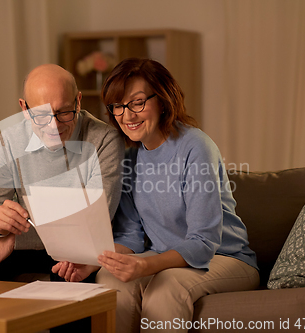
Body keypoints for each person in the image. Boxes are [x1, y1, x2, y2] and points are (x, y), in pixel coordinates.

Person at [54, 58, 259, 333]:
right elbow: (130, 237)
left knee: (165, 289)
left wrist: (146, 265)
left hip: (224, 257)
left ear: (162, 100)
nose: (127, 115)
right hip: (162, 257)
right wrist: (93, 261)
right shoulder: (128, 158)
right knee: (111, 282)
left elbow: (203, 241)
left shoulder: (195, 147)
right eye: (118, 106)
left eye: (137, 103)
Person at [0, 64, 124, 283]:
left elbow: (94, 221)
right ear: (24, 108)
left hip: (77, 245)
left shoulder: (105, 140)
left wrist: (13, 241)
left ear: (78, 101)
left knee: (70, 265)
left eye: (64, 112)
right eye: (41, 115)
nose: (53, 125)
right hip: (32, 244)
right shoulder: (9, 141)